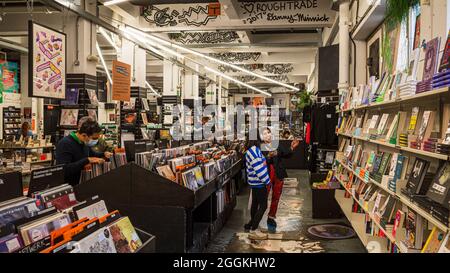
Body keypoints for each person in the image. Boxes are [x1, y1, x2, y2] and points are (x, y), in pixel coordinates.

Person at [261, 127, 300, 231]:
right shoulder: (260, 147)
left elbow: (286, 154)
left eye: (268, 133)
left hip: (278, 174)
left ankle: (271, 217)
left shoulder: (276, 144)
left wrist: (292, 148)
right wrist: (268, 156)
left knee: (276, 197)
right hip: (266, 175)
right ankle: (257, 218)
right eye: (264, 134)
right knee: (263, 197)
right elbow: (260, 162)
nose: (267, 135)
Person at [55, 118, 108, 186]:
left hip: (82, 182)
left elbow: (91, 153)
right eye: (94, 138)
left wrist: (103, 154)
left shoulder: (83, 142)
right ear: (84, 135)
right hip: (70, 186)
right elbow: (64, 170)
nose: (96, 141)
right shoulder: (65, 144)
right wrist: (87, 160)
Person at [244, 139, 271, 240]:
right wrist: (267, 181)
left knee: (255, 204)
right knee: (263, 206)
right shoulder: (254, 151)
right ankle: (254, 230)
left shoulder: (252, 150)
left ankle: (252, 225)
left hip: (255, 183)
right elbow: (259, 170)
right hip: (259, 183)